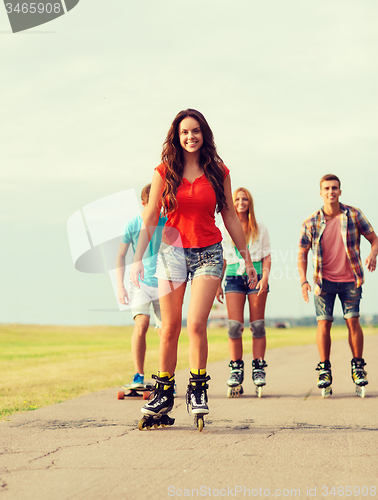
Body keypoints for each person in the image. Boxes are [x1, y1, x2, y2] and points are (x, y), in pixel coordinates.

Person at [130, 109, 257, 429]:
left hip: (208, 254)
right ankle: (163, 393)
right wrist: (136, 258)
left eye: (196, 131)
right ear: (176, 136)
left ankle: (198, 391)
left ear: (204, 134)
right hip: (171, 254)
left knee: (197, 324)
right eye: (185, 132)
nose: (191, 136)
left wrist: (247, 258)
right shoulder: (164, 171)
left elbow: (228, 215)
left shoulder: (218, 170)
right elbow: (149, 218)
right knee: (169, 328)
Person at [298, 174, 378, 395]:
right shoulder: (311, 222)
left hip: (351, 280)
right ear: (321, 192)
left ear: (340, 191)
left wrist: (373, 254)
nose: (331, 192)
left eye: (334, 188)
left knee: (353, 321)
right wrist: (303, 280)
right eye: (327, 188)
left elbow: (374, 238)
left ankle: (358, 367)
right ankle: (324, 369)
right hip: (323, 283)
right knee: (324, 324)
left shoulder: (353, 214)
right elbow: (302, 253)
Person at [216, 187, 271, 397]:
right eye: (237, 199)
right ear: (232, 202)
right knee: (234, 326)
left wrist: (265, 276)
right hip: (233, 278)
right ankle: (236, 368)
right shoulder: (225, 227)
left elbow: (267, 256)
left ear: (250, 202)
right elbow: (221, 259)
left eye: (244, 199)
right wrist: (217, 283)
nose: (241, 202)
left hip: (256, 278)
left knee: (257, 326)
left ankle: (258, 367)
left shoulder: (260, 228)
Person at [116, 184, 166, 389]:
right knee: (142, 324)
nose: (157, 209)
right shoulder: (132, 225)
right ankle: (139, 374)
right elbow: (120, 255)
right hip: (140, 283)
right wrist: (120, 286)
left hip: (164, 283)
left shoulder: (167, 222)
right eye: (153, 204)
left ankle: (165, 377)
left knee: (166, 331)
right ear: (144, 203)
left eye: (160, 205)